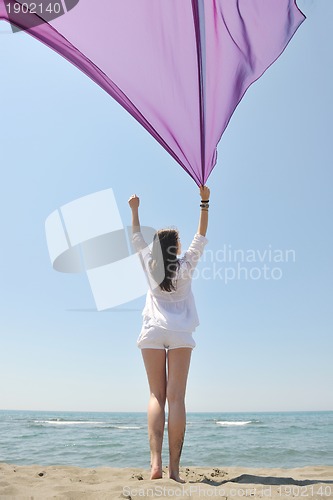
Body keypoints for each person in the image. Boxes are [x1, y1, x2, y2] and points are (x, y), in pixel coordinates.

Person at [128, 185, 210, 483]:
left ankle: (155, 464)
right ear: (176, 247)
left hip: (152, 331)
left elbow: (136, 237)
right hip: (180, 334)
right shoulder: (185, 266)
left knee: (155, 395)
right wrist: (204, 200)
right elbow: (201, 236)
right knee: (176, 398)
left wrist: (135, 209)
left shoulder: (150, 266)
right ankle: (175, 470)